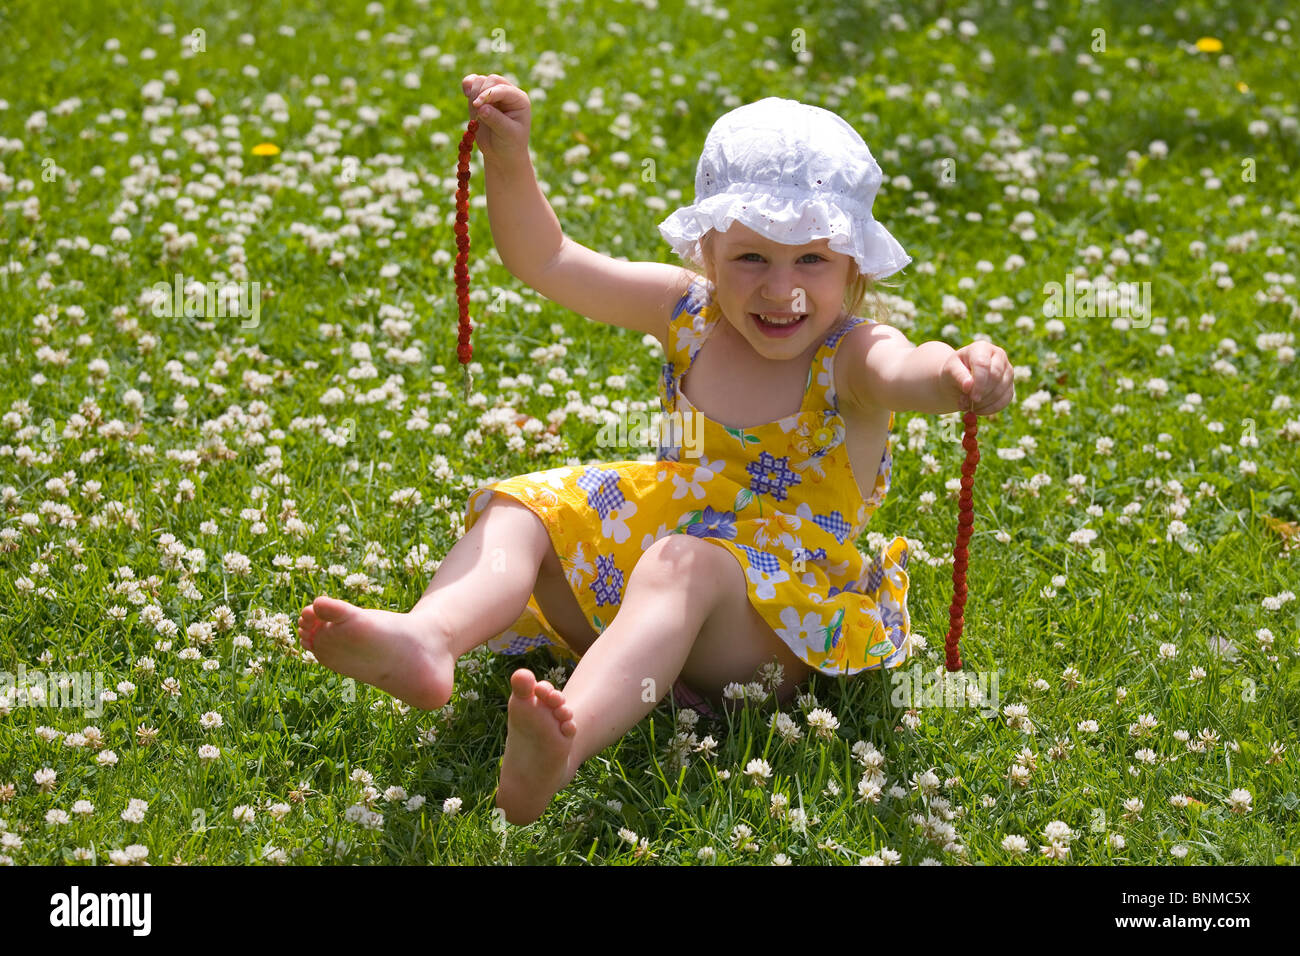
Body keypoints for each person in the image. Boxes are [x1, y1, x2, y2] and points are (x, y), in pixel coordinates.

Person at [297, 74, 1015, 826]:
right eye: (750, 258)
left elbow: (911, 369)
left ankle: (559, 744)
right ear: (707, 249)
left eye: (811, 261)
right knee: (527, 504)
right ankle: (429, 637)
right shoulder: (687, 310)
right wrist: (509, 157)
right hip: (654, 566)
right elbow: (548, 261)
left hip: (771, 624)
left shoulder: (852, 355)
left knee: (686, 563)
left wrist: (958, 371)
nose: (780, 289)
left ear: (853, 268)